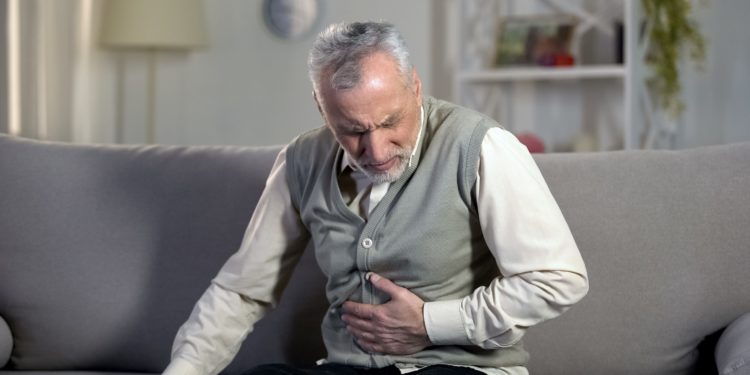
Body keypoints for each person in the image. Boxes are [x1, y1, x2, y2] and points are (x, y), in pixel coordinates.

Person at [163, 21, 588, 375]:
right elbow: (242, 291)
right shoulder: (300, 161)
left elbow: (557, 279)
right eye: (353, 130)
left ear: (416, 88)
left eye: (390, 122)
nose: (378, 151)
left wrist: (430, 323)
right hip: (347, 369)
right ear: (321, 107)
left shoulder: (481, 146)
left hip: (462, 369)